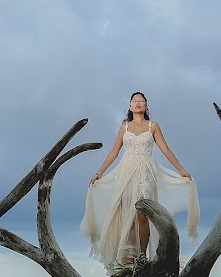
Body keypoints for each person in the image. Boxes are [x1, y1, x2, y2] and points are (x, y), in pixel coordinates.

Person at [80, 92, 200, 273]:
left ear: (146, 105)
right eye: (134, 101)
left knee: (143, 212)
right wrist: (99, 172)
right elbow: (114, 151)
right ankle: (129, 255)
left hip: (146, 171)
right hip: (126, 170)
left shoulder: (153, 126)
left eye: (141, 101)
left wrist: (181, 170)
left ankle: (142, 255)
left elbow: (165, 149)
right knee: (127, 211)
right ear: (130, 106)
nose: (137, 103)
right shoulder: (124, 126)